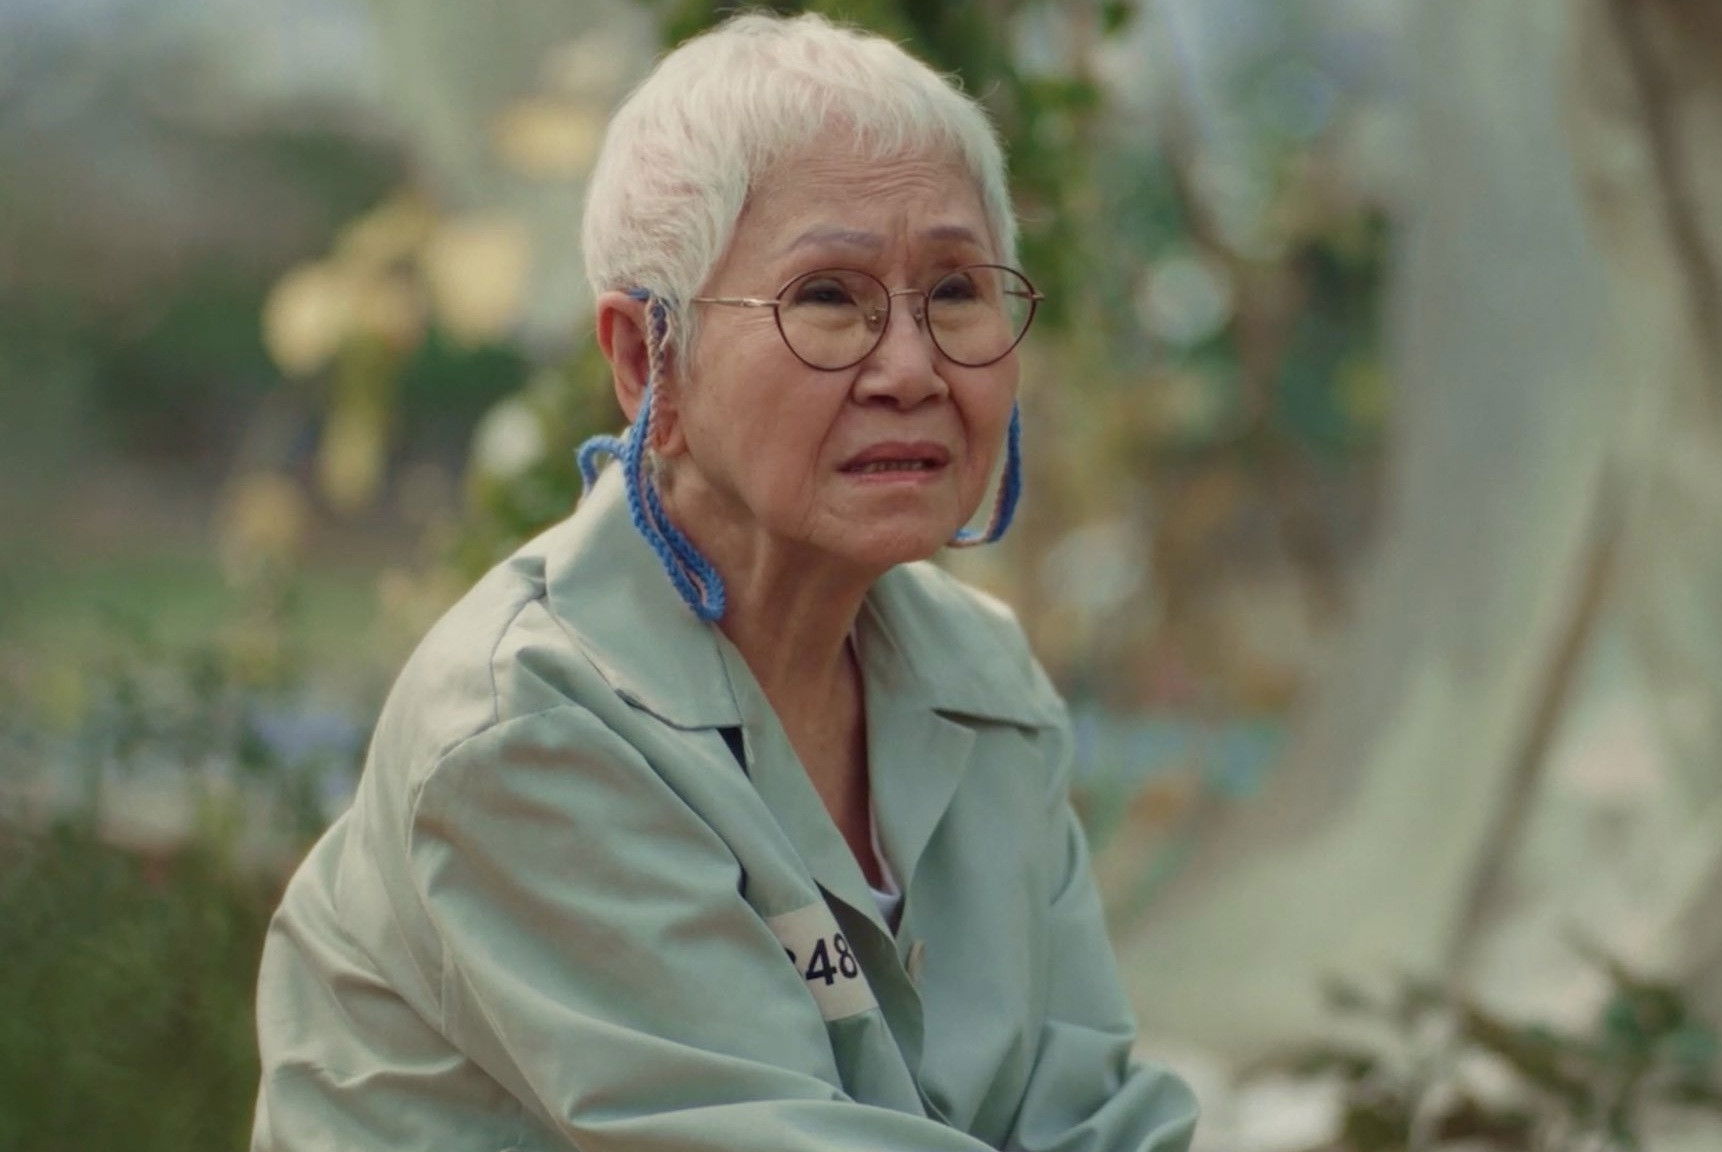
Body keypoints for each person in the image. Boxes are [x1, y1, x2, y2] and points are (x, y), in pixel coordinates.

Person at [250, 12, 1198, 1152]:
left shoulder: (984, 683)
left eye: (956, 290)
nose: (911, 369)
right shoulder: (529, 729)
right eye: (828, 297)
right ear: (644, 358)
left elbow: (1096, 1118)